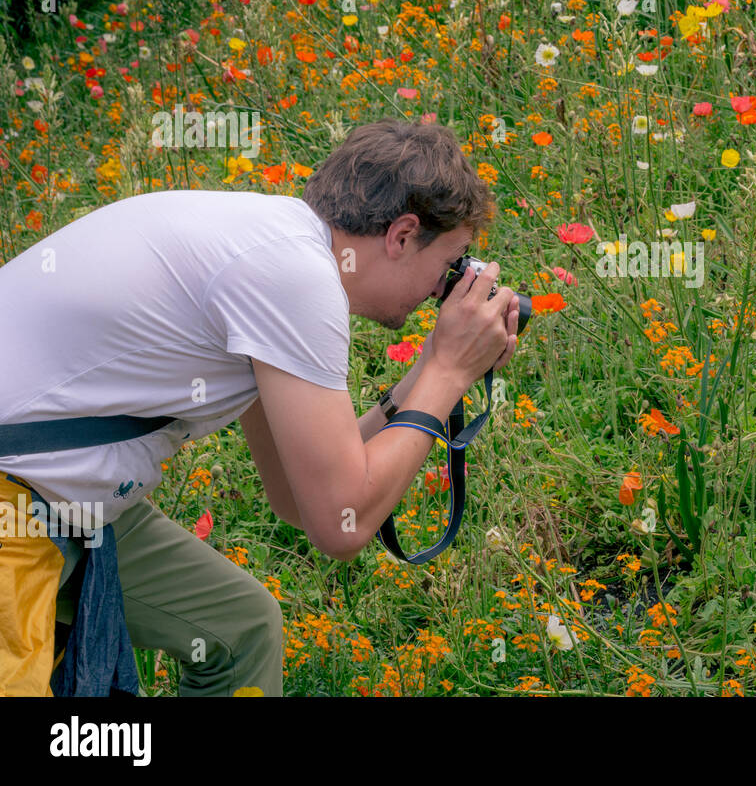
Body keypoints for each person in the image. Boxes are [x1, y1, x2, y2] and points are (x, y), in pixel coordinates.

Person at [0, 119, 519, 695]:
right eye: (451, 263)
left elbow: (302, 497)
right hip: (19, 498)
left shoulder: (271, 246)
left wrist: (432, 367)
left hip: (62, 497)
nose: (441, 288)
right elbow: (340, 526)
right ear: (401, 235)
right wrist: (448, 374)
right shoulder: (294, 276)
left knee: (240, 628)